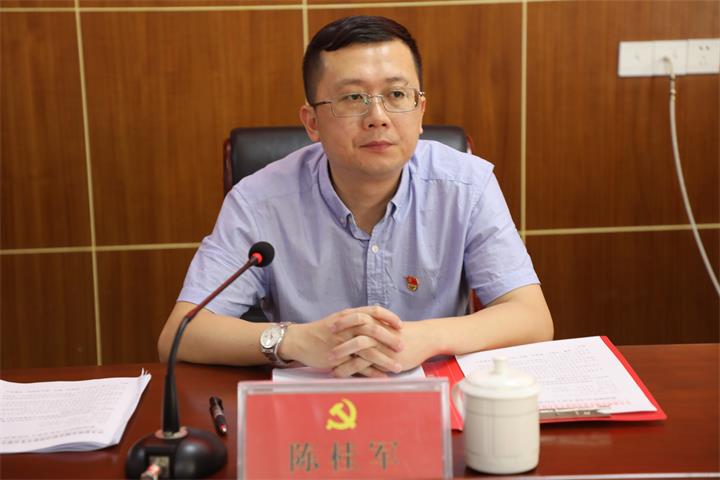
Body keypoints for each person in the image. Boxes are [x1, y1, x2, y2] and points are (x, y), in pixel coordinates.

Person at [158, 15, 553, 377]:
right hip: (310, 403)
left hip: (434, 402)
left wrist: (425, 338)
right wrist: (294, 340)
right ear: (312, 122)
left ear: (420, 111)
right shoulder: (258, 201)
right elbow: (180, 334)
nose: (377, 117)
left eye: (396, 94)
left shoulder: (467, 185)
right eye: (353, 98)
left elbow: (533, 319)